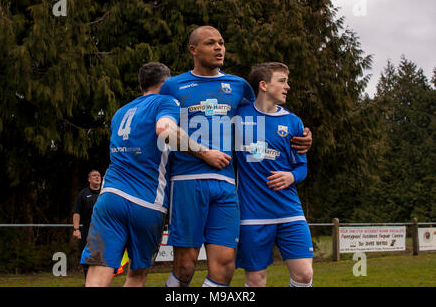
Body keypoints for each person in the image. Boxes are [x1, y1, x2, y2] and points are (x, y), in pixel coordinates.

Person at [161, 26, 312, 287]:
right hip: (187, 180)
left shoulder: (239, 86)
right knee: (185, 267)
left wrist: (300, 136)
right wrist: (204, 153)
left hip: (227, 184)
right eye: (210, 43)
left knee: (225, 266)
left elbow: (263, 114)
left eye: (221, 42)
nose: (219, 48)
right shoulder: (173, 86)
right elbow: (162, 129)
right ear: (193, 50)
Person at [80, 62, 182, 287]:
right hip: (146, 202)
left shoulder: (120, 112)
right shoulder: (167, 101)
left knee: (98, 272)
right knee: (136, 274)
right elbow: (165, 129)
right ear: (165, 83)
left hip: (110, 198)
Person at [234, 62, 313, 287]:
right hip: (253, 214)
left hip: (289, 211)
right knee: (256, 280)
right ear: (264, 85)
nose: (287, 86)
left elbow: (302, 167)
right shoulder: (238, 118)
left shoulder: (293, 122)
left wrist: (291, 177)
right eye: (282, 81)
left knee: (304, 275)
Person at [72, 169, 101, 278]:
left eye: (99, 175)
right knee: (88, 258)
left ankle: (101, 282)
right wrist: (76, 229)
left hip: (104, 231)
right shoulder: (83, 194)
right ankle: (88, 281)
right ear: (89, 179)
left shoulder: (105, 192)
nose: (97, 177)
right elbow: (76, 212)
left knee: (103, 258)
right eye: (94, 175)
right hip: (88, 231)